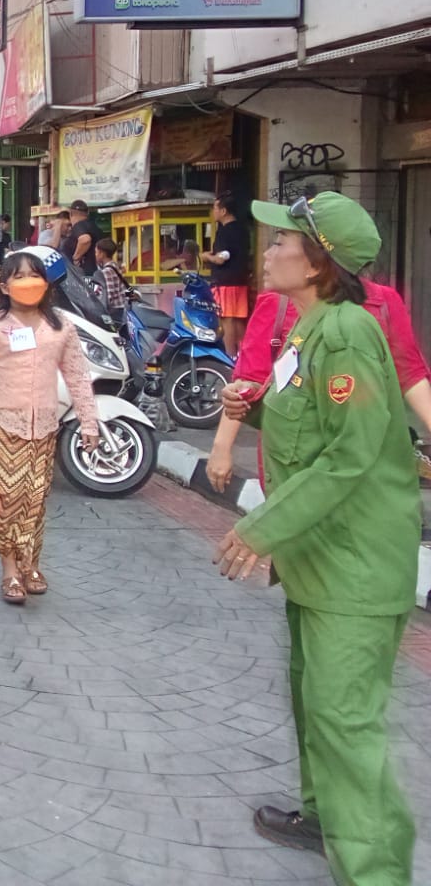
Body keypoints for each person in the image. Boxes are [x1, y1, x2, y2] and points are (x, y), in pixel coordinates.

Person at [211, 192, 420, 884]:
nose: (267, 252)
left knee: (344, 718)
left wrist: (260, 527)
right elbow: (313, 431)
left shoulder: (348, 333)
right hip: (319, 559)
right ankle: (324, 819)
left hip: (356, 562)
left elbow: (352, 453)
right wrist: (256, 414)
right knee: (313, 700)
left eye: (281, 245)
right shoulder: (306, 330)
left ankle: (377, 870)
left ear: (319, 264)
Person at [207, 260, 431, 491]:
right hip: (292, 459)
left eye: (281, 243)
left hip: (366, 455)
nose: (268, 255)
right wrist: (221, 447)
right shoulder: (277, 303)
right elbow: (249, 377)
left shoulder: (382, 302)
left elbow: (410, 374)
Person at [0, 251, 99, 604]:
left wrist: (89, 421)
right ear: (4, 286)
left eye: (34, 275)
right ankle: (9, 571)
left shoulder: (60, 325)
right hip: (0, 425)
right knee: (4, 499)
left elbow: (78, 376)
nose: (28, 283)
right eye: (19, 277)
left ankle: (31, 563)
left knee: (34, 499)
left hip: (43, 428)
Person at [205, 191, 251, 356]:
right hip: (241, 280)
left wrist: (206, 256)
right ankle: (244, 356)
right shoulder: (242, 230)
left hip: (225, 282)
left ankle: (230, 357)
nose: (214, 212)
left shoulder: (224, 232)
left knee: (227, 319)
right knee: (239, 319)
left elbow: (222, 258)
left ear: (224, 211)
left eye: (215, 208)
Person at [92, 237, 129, 325]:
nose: (95, 255)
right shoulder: (114, 266)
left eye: (96, 252)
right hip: (121, 307)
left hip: (115, 311)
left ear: (102, 254)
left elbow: (109, 294)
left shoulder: (107, 271)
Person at [61, 200, 102, 276]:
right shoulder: (93, 226)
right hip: (93, 271)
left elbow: (85, 240)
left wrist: (76, 257)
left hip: (82, 273)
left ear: (71, 214)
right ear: (87, 213)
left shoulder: (79, 225)